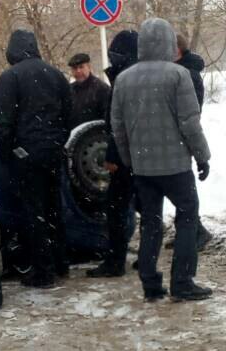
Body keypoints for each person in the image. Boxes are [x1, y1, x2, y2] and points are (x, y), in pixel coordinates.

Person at [111, 18, 213, 303]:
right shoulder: (178, 75)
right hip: (176, 166)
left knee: (151, 223)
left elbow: (118, 126)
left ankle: (150, 283)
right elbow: (189, 123)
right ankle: (182, 282)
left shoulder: (124, 79)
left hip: (143, 168)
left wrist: (129, 159)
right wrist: (202, 157)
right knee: (187, 217)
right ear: (169, 42)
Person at [0, 29, 72, 288]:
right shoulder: (56, 75)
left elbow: (3, 123)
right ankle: (61, 263)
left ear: (12, 50)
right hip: (53, 152)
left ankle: (43, 271)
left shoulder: (10, 78)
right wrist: (57, 141)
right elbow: (69, 114)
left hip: (26, 155)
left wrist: (7, 155)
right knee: (54, 208)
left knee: (34, 213)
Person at [86, 29, 138, 278]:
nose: (111, 57)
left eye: (114, 53)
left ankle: (115, 261)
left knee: (117, 208)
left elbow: (118, 123)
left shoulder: (124, 79)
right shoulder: (137, 76)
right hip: (141, 155)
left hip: (125, 158)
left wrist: (113, 157)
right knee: (146, 206)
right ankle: (145, 257)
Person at [175, 33, 212, 252]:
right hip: (180, 135)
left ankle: (197, 232)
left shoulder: (187, 73)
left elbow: (192, 109)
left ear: (176, 50)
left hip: (183, 136)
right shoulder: (183, 71)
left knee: (184, 189)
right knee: (180, 189)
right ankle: (188, 231)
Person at [67, 52, 110, 129]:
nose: (78, 71)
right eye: (75, 68)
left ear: (89, 67)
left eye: (81, 67)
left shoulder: (101, 89)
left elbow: (107, 117)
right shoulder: (69, 90)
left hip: (95, 133)